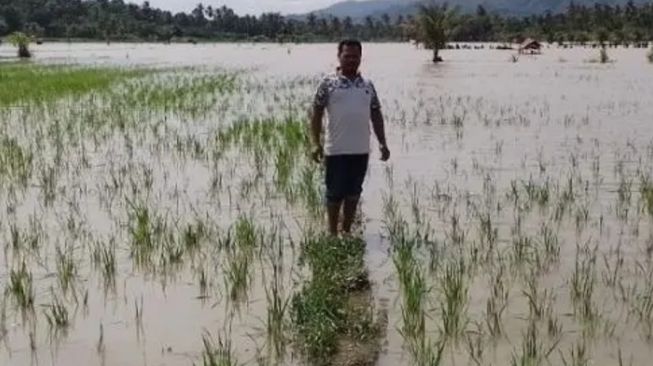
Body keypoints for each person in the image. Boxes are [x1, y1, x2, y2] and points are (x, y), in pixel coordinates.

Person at [311, 39, 390, 236]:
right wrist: (315, 143)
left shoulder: (368, 85)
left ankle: (346, 230)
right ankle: (332, 234)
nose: (351, 60)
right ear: (339, 57)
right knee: (334, 194)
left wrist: (383, 143)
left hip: (361, 150)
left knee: (354, 193)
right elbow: (317, 113)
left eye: (355, 56)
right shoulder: (327, 84)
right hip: (335, 149)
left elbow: (376, 115)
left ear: (360, 58)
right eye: (347, 56)